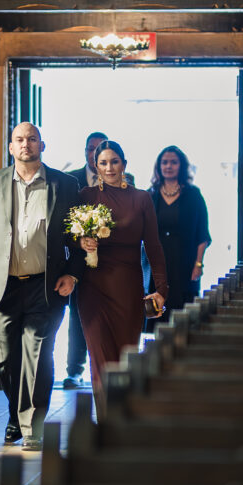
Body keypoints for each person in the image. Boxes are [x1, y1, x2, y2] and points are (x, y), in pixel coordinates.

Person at [0, 122, 84, 451]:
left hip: (44, 286)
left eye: (32, 139)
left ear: (42, 145)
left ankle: (32, 427)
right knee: (6, 360)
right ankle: (16, 414)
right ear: (10, 147)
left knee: (38, 355)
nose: (25, 145)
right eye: (19, 139)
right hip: (0, 287)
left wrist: (73, 274)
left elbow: (78, 237)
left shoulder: (65, 184)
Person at [77, 140, 167, 418]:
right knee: (100, 359)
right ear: (96, 166)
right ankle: (105, 422)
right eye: (103, 163)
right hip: (92, 288)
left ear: (124, 164)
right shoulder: (85, 195)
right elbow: (69, 238)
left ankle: (122, 419)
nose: (109, 168)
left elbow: (153, 245)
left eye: (114, 161)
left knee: (125, 358)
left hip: (128, 287)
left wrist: (161, 289)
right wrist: (82, 241)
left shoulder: (141, 199)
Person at [62, 131, 135, 389]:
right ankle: (75, 370)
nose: (96, 157)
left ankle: (115, 369)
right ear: (86, 153)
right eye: (90, 150)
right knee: (78, 319)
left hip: (114, 266)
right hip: (81, 264)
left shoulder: (128, 182)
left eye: (99, 151)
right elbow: (66, 224)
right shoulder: (73, 181)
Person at [145, 145, 211, 331]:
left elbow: (202, 234)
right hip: (157, 264)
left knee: (182, 318)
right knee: (156, 313)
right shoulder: (151, 195)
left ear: (181, 166)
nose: (168, 166)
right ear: (159, 167)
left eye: (173, 162)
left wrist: (198, 264)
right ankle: (152, 355)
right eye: (164, 162)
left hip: (185, 263)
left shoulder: (193, 195)